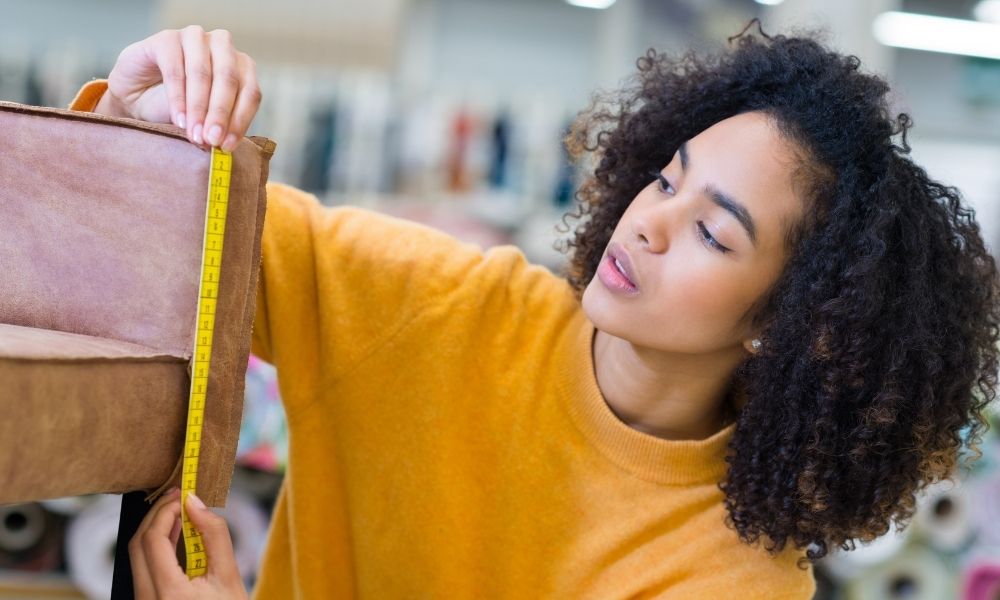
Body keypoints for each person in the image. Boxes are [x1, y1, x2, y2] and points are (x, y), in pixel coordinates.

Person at [66, 18, 1000, 599]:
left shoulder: (729, 579)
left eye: (714, 233)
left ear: (781, 324)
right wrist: (139, 123)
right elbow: (160, 238)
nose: (649, 223)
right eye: (665, 179)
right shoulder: (443, 309)